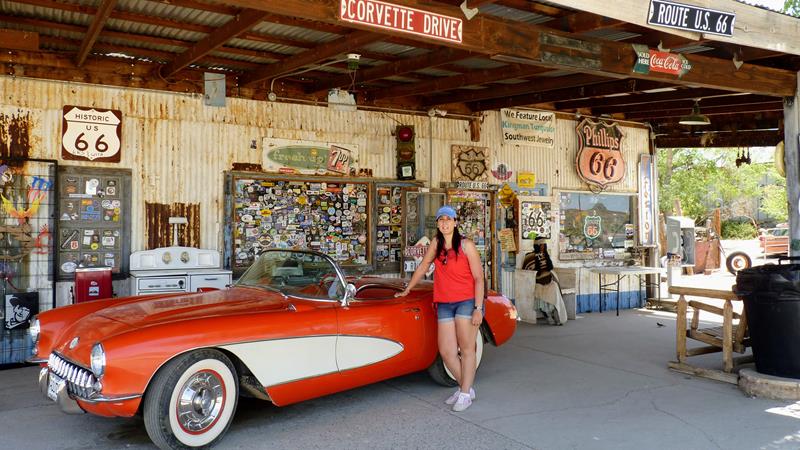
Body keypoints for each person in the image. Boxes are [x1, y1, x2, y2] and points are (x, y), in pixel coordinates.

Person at [395, 205, 485, 412]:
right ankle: (466, 387)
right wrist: (407, 289)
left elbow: (479, 278)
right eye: (441, 219)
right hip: (444, 302)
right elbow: (423, 267)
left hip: (466, 301)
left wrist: (478, 307)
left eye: (449, 219)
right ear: (437, 223)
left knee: (467, 348)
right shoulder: (436, 244)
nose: (444, 222)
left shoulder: (466, 245)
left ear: (455, 222)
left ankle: (464, 393)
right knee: (446, 351)